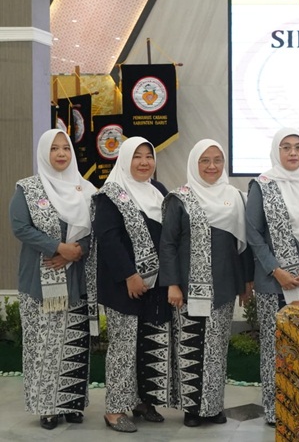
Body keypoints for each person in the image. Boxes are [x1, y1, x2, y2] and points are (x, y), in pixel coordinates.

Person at [159, 139, 254, 427]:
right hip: (187, 289)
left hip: (223, 285)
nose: (212, 166)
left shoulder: (236, 197)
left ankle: (212, 407)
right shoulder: (180, 198)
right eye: (205, 161)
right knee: (190, 345)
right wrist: (173, 284)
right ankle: (192, 409)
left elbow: (244, 245)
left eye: (217, 160)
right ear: (194, 164)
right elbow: (168, 244)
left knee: (215, 349)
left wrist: (246, 282)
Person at [246, 128, 299, 426]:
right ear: (276, 150)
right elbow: (253, 234)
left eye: (298, 147)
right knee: (274, 346)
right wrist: (276, 270)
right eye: (286, 147)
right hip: (274, 283)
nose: (293, 153)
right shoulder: (262, 185)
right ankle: (274, 408)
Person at [9, 130, 94, 430]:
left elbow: (96, 232)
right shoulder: (29, 189)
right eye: (54, 149)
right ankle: (47, 406)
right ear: (44, 153)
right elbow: (20, 226)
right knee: (44, 344)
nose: (60, 154)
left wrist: (75, 252)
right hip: (40, 281)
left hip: (77, 280)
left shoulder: (85, 189)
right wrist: (57, 248)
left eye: (65, 149)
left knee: (74, 341)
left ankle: (71, 403)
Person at [93, 137, 172, 433]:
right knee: (123, 347)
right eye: (136, 156)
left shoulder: (159, 191)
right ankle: (114, 409)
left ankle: (142, 401)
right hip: (122, 285)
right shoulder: (110, 194)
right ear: (124, 159)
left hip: (156, 285)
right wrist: (129, 274)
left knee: (149, 343)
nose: (143, 162)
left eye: (148, 156)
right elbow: (109, 239)